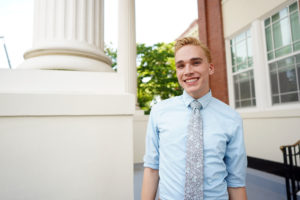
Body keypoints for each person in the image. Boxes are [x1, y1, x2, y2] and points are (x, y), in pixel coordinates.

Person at [141, 37, 247, 200]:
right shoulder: (159, 112)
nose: (188, 71)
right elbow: (152, 169)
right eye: (181, 65)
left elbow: (236, 182)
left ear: (210, 68)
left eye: (196, 62)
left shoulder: (231, 118)